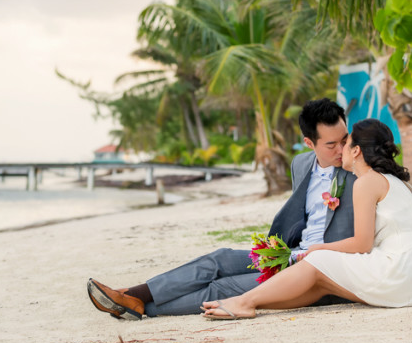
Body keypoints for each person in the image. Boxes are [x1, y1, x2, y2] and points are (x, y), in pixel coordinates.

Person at [87, 98, 357, 320]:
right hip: (288, 253)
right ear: (310, 143)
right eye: (331, 144)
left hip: (317, 268)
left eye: (344, 139)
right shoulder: (301, 163)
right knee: (220, 259)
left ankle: (135, 303)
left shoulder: (358, 171)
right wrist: (280, 249)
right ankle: (134, 294)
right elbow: (300, 216)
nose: (341, 148)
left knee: (220, 287)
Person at [200, 118, 412, 320]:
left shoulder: (366, 182)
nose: (339, 149)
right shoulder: (397, 182)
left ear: (356, 151)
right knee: (322, 282)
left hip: (401, 271)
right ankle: (253, 302)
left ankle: (244, 301)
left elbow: (362, 245)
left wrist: (318, 248)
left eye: (346, 143)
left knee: (321, 258)